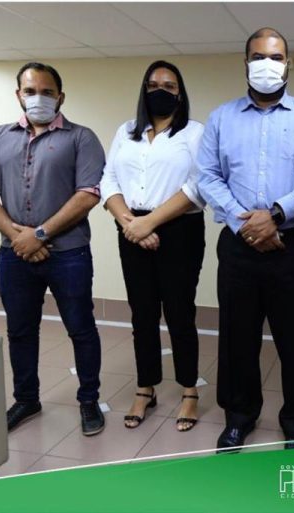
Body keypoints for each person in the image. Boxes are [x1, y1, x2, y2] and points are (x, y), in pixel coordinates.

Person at [197, 27, 294, 452]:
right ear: (245, 64)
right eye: (258, 57)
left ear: (288, 64)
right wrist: (247, 225)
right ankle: (239, 416)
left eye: (276, 57)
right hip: (238, 245)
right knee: (237, 337)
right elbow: (208, 177)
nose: (267, 65)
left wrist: (274, 215)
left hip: (293, 244)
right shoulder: (221, 118)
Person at [0, 62, 106, 436]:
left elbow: (88, 194)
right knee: (20, 331)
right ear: (18, 95)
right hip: (14, 255)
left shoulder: (81, 138)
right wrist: (19, 238)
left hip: (69, 255)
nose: (38, 98)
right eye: (30, 91)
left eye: (47, 92)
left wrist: (40, 235)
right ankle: (27, 399)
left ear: (61, 97)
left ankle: (89, 400)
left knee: (81, 328)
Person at [100, 61, 205, 431]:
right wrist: (130, 223)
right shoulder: (126, 131)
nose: (161, 90)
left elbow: (199, 185)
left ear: (180, 93)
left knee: (179, 313)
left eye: (169, 85)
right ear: (144, 90)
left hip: (179, 229)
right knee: (142, 314)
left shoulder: (194, 132)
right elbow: (109, 179)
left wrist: (151, 222)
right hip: (130, 227)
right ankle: (145, 387)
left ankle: (189, 391)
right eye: (153, 84)